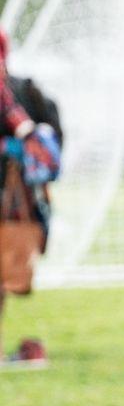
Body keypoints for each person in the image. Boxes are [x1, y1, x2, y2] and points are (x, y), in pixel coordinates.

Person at [0, 28, 58, 369]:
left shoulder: (20, 92)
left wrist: (26, 146)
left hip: (12, 203)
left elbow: (48, 146)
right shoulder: (18, 92)